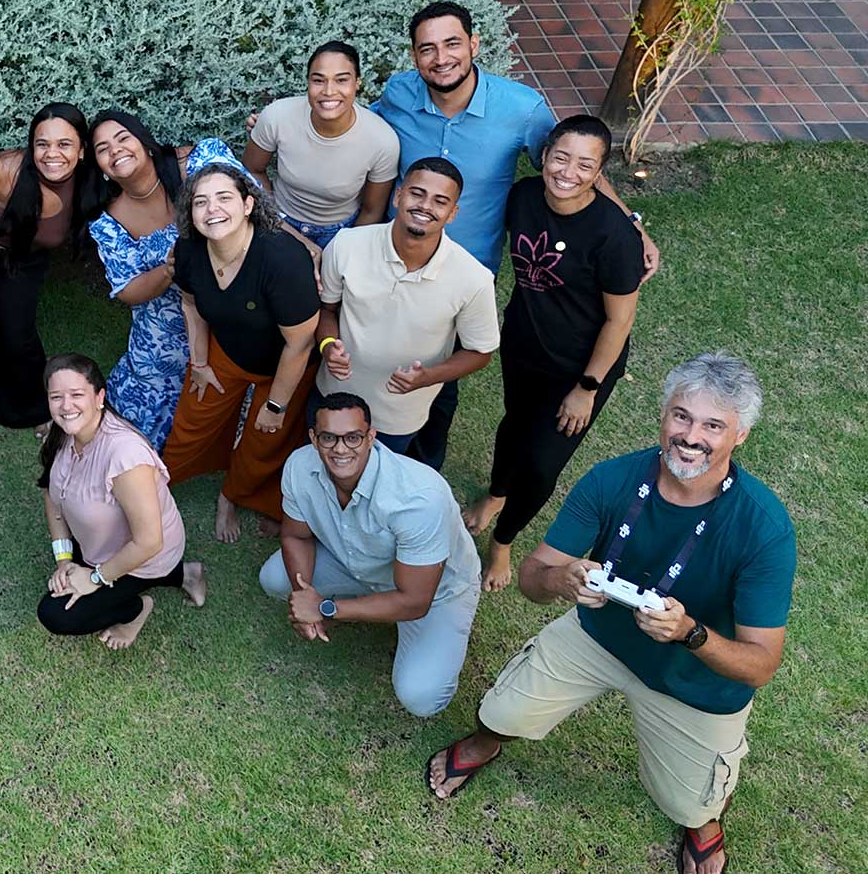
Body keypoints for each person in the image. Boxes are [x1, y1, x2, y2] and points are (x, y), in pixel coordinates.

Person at [427, 355, 795, 874]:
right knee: (500, 714)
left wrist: (690, 633)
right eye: (682, 416)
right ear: (663, 415)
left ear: (740, 436)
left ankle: (704, 820)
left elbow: (760, 666)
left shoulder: (764, 527)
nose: (691, 437)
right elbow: (532, 578)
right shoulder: (612, 479)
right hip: (598, 636)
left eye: (713, 426)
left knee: (690, 804)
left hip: (694, 682)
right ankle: (486, 743)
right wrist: (563, 579)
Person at [369, 1, 659, 468]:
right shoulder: (399, 93)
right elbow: (359, 124)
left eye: (452, 44)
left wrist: (631, 222)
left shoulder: (522, 109)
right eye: (427, 49)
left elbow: (576, 165)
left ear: (474, 44)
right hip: (394, 250)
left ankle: (418, 474)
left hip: (462, 273)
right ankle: (363, 445)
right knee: (376, 350)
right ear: (414, 55)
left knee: (438, 376)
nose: (441, 58)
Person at [467, 115, 644, 591]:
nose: (568, 172)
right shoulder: (523, 197)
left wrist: (586, 389)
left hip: (582, 369)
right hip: (524, 345)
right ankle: (496, 494)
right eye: (561, 157)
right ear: (544, 155)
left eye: (585, 165)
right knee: (514, 426)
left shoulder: (614, 237)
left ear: (599, 173)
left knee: (542, 464)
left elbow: (619, 321)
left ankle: (502, 542)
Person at [261, 392, 481, 717]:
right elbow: (296, 536)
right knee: (275, 579)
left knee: (421, 698)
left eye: (352, 437)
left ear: (371, 437)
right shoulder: (299, 466)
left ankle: (435, 634)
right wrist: (303, 593)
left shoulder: (418, 498)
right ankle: (358, 602)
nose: (340, 449)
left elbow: (414, 601)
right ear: (314, 438)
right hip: (355, 564)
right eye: (328, 437)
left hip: (434, 593)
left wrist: (325, 608)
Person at [160, 163, 320, 543]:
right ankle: (159, 480)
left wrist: (276, 405)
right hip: (227, 351)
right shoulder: (188, 250)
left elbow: (300, 343)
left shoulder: (282, 259)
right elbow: (190, 304)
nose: (212, 209)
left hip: (284, 366)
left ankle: (230, 496)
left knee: (265, 439)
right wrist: (200, 363)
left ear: (248, 205)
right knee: (193, 416)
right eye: (200, 202)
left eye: (224, 198)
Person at [314, 158, 499, 464]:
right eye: (417, 193)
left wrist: (429, 377)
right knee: (318, 471)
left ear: (453, 213)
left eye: (440, 201)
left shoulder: (474, 279)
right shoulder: (347, 245)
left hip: (399, 416)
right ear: (398, 196)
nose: (425, 206)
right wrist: (327, 345)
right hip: (332, 396)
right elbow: (327, 310)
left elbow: (480, 352)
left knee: (378, 480)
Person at [0, 103, 102, 429]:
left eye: (64, 144)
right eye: (42, 144)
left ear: (82, 150)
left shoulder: (91, 184)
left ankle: (31, 406)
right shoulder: (3, 170)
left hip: (26, 256)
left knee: (17, 332)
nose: (52, 154)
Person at [85, 108, 244, 448]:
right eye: (102, 149)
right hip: (168, 311)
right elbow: (127, 290)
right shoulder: (108, 221)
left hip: (237, 292)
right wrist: (169, 268)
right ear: (99, 167)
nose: (115, 150)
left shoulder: (198, 163)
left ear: (145, 142)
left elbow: (253, 207)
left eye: (123, 138)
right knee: (149, 385)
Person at [35, 354, 208, 650]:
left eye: (77, 395)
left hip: (144, 556)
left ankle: (137, 610)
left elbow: (149, 542)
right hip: (100, 542)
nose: (66, 406)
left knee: (56, 614)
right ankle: (186, 574)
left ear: (99, 397)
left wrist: (94, 578)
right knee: (64, 587)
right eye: (56, 397)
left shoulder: (126, 456)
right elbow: (51, 495)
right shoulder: (62, 433)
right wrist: (64, 560)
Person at [242, 40, 399, 259]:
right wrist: (272, 215)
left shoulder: (382, 141)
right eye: (318, 80)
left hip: (340, 232)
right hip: (280, 220)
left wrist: (345, 252)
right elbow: (252, 169)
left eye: (341, 80)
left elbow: (372, 211)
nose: (329, 91)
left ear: (357, 83)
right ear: (308, 82)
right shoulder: (277, 116)